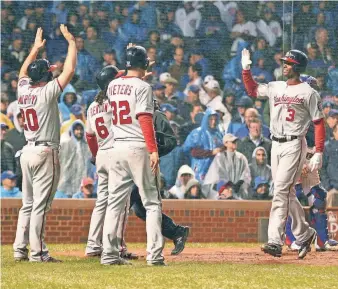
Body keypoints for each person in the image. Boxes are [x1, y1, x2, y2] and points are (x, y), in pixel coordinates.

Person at [242, 48, 325, 259]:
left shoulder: (309, 92)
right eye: (284, 62)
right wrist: (245, 69)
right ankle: (305, 233)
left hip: (294, 144)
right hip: (275, 144)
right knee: (286, 192)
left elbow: (318, 123)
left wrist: (319, 151)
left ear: (297, 67)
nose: (284, 65)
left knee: (279, 190)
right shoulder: (276, 86)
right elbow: (252, 91)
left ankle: (274, 241)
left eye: (288, 63)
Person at [13, 25, 76, 262]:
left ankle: (20, 249)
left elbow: (22, 73)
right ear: (46, 76)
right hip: (45, 150)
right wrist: (71, 43)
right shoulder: (47, 91)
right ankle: (38, 253)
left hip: (28, 150)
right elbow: (69, 70)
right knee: (40, 205)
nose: (52, 73)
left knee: (27, 205)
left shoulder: (23, 90)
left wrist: (35, 49)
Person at [102, 45, 164, 266]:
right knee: (152, 203)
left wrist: (132, 64)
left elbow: (122, 77)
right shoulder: (143, 87)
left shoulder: (113, 85)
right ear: (144, 63)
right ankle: (155, 256)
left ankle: (109, 254)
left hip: (117, 147)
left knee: (115, 203)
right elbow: (145, 119)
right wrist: (153, 150)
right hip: (138, 147)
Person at [285, 146, 338, 252]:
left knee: (320, 197)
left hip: (311, 163)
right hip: (293, 160)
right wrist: (300, 163)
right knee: (294, 198)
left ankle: (322, 241)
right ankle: (291, 240)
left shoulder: (318, 132)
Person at [204, 134, 251, 200]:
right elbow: (218, 173)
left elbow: (246, 173)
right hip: (223, 192)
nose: (235, 143)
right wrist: (228, 185)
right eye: (232, 141)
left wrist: (240, 182)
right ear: (226, 143)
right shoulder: (220, 157)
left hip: (238, 192)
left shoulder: (241, 157)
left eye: (235, 141)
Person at [183, 108, 224, 182]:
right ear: (206, 119)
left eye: (215, 119)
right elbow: (193, 152)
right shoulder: (198, 133)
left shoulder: (219, 134)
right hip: (200, 168)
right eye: (211, 119)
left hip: (216, 168)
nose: (213, 122)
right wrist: (211, 152)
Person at [58, 120, 92, 197]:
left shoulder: (87, 146)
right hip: (67, 180)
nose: (79, 132)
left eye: (81, 129)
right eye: (77, 129)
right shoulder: (65, 144)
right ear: (72, 131)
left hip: (81, 181)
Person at [321, 123, 338, 208]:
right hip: (333, 189)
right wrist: (328, 187)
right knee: (332, 218)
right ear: (334, 132)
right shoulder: (327, 146)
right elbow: (322, 168)